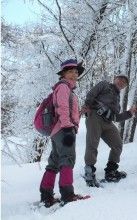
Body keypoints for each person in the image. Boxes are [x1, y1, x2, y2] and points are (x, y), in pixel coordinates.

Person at [39, 59, 84, 207]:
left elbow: (67, 109)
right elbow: (62, 108)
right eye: (70, 71)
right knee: (68, 159)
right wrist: (67, 127)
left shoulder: (64, 88)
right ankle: (67, 194)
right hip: (64, 129)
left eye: (76, 72)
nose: (74, 74)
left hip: (57, 130)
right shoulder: (64, 87)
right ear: (63, 73)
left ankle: (46, 195)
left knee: (54, 162)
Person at [82, 75, 137, 187]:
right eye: (120, 79)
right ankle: (89, 173)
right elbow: (91, 94)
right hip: (94, 117)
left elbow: (116, 118)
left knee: (117, 144)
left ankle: (111, 171)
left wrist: (129, 113)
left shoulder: (117, 100)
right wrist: (87, 105)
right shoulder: (104, 85)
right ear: (115, 80)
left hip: (107, 123)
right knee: (92, 144)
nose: (122, 82)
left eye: (124, 82)